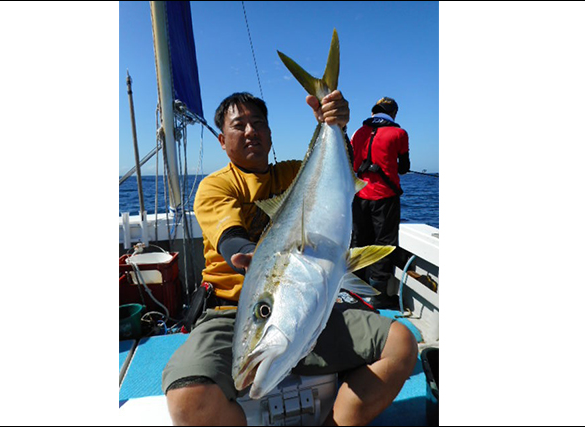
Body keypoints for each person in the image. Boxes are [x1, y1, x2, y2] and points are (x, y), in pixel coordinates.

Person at [162, 91, 418, 426]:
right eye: (240, 125)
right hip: (232, 312)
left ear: (270, 134)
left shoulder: (299, 173)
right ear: (223, 141)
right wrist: (251, 253)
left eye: (258, 124)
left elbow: (339, 173)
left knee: (402, 344)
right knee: (187, 397)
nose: (251, 131)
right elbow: (231, 238)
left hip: (314, 305)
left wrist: (336, 125)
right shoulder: (216, 186)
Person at [350, 97, 410, 309]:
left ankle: (354, 290)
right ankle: (376, 295)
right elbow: (404, 167)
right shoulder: (399, 134)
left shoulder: (358, 133)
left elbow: (351, 159)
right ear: (393, 113)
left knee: (358, 241)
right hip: (385, 197)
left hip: (358, 196)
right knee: (384, 244)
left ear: (374, 112)